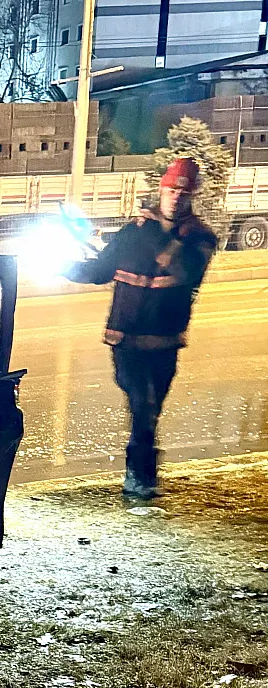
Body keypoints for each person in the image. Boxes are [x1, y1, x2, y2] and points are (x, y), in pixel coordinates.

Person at [65, 157, 217, 500]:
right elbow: (102, 269)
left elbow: (181, 266)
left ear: (192, 196)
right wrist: (61, 266)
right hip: (127, 340)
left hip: (164, 343)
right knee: (142, 405)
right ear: (161, 190)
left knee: (149, 412)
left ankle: (143, 475)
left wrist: (159, 233)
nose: (176, 196)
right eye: (171, 189)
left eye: (183, 191)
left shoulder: (199, 239)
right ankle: (140, 479)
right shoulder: (135, 229)